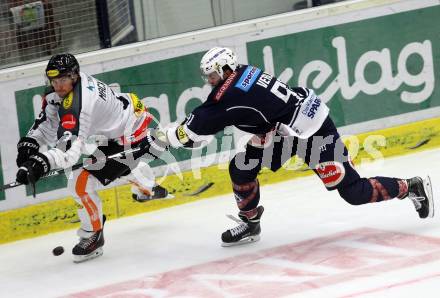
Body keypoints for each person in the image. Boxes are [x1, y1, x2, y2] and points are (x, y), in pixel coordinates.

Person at [151, 47, 434, 247]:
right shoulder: (243, 74)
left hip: (314, 134)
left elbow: (193, 130)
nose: (210, 82)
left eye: (212, 75)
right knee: (241, 167)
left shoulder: (231, 92)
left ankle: (411, 187)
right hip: (284, 131)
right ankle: (250, 223)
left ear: (226, 69)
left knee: (353, 192)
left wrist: (164, 137)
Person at [15, 53, 168, 262]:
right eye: (54, 80)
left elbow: (68, 152)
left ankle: (93, 237)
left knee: (79, 182)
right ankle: (148, 186)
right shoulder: (62, 91)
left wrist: (40, 163)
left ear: (75, 76)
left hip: (132, 135)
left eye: (63, 80)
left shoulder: (80, 103)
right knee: (105, 165)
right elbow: (46, 123)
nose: (58, 85)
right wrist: (29, 144)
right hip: (121, 125)